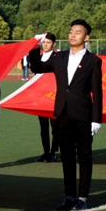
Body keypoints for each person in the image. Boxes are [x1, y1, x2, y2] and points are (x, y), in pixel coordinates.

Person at [28, 19, 103, 211]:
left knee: (84, 156)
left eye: (78, 32)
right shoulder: (59, 57)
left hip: (84, 115)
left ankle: (83, 198)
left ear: (86, 37)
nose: (72, 35)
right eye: (71, 31)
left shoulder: (93, 61)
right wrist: (35, 47)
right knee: (67, 156)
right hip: (62, 113)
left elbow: (97, 91)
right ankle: (69, 196)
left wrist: (96, 119)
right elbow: (37, 68)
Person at [35, 33, 59, 163]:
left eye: (48, 43)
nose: (45, 45)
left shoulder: (57, 57)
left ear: (53, 44)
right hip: (40, 97)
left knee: (55, 127)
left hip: (54, 97)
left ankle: (53, 152)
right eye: (43, 42)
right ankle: (46, 152)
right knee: (43, 127)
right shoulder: (38, 58)